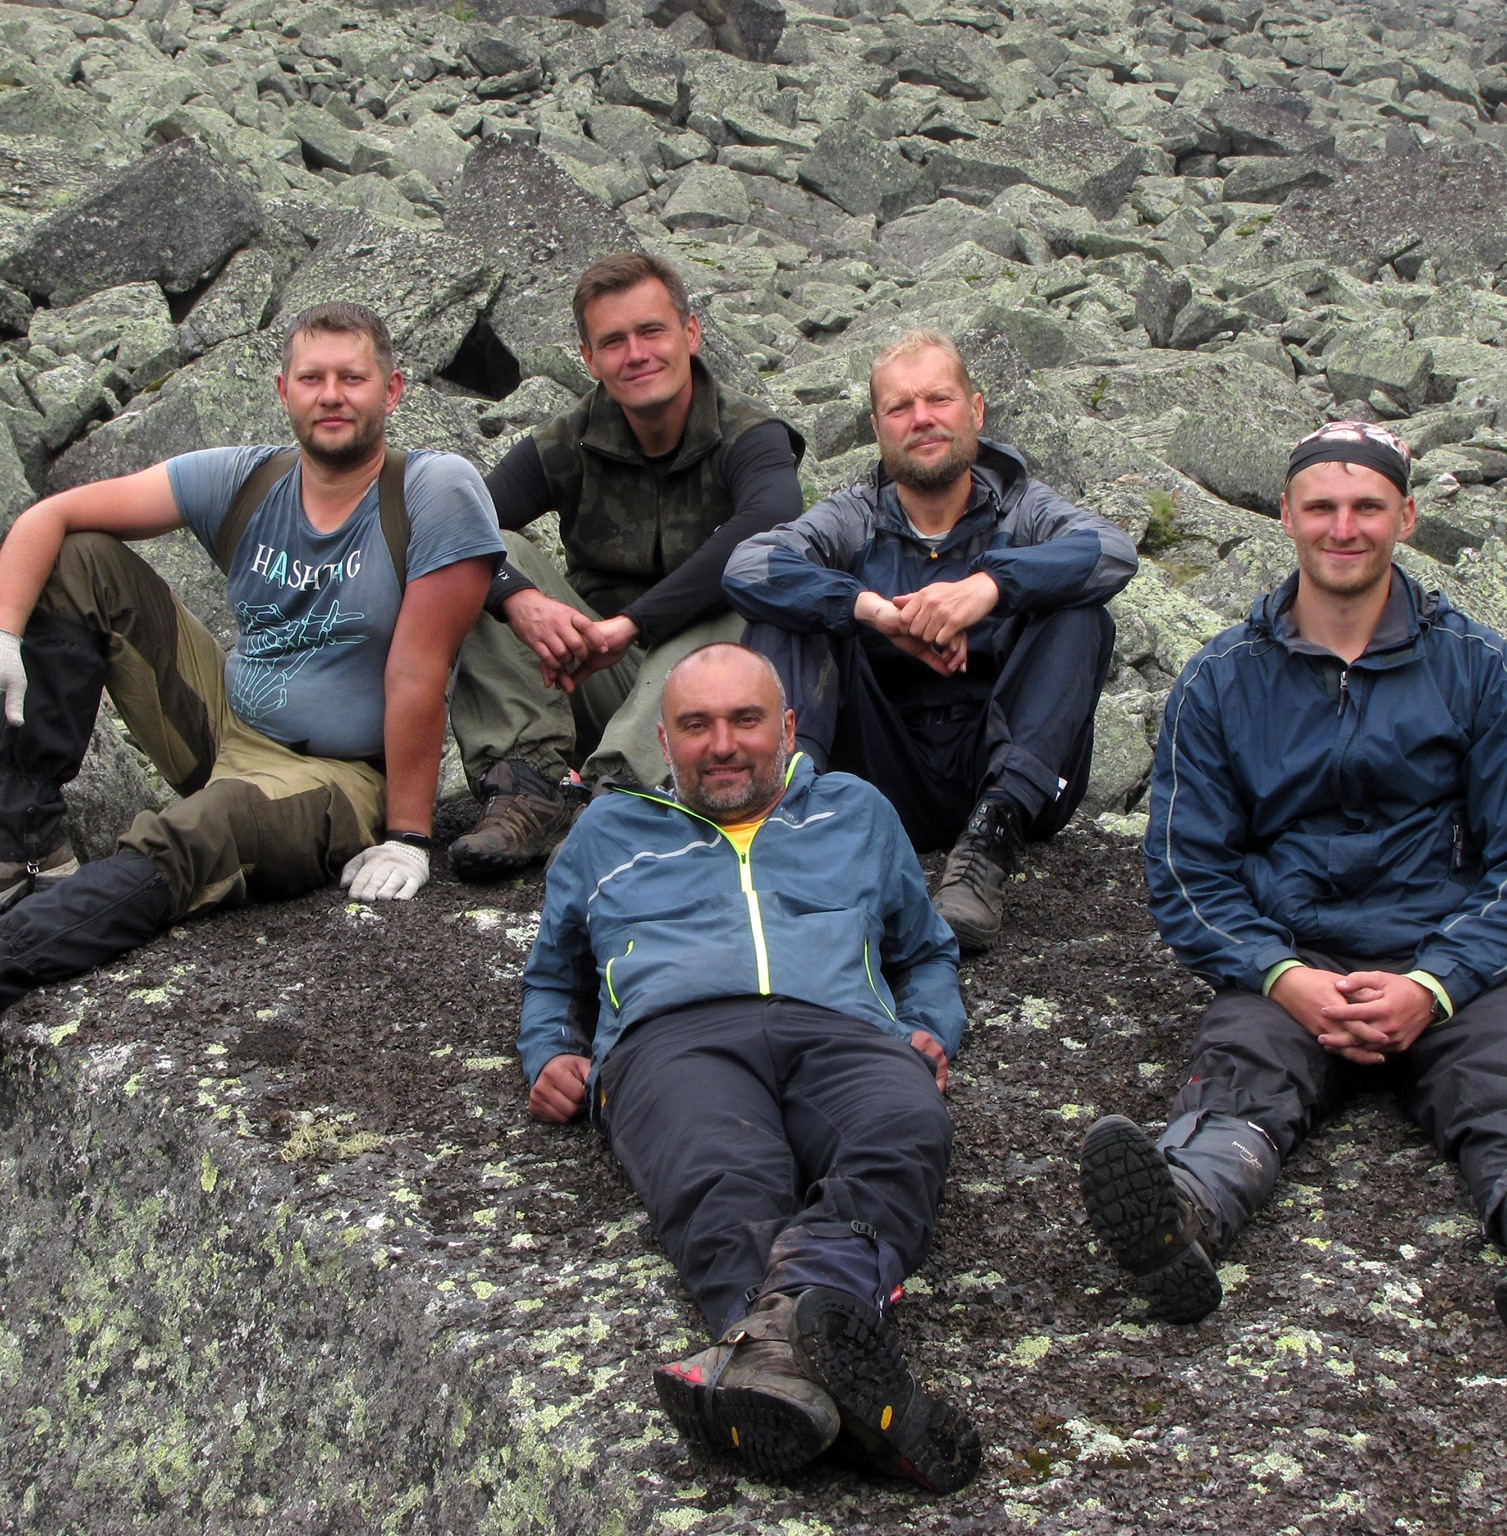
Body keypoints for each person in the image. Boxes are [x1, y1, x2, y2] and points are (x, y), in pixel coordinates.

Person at [1081, 420, 1507, 1338]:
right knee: (1241, 1076)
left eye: (1367, 507)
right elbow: (1188, 871)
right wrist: (1281, 977)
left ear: (1407, 518)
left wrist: (1436, 983)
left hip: (1453, 959)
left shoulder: (1484, 672)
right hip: (1294, 957)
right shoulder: (1220, 682)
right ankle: (1181, 1215)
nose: (1344, 528)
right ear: (1285, 515)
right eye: (1323, 507)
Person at [0, 302, 502, 1044]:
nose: (331, 396)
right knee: (81, 560)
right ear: (283, 391)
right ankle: (17, 843)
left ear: (392, 390)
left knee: (198, 830)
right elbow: (51, 516)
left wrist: (408, 836)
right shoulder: (247, 479)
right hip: (225, 722)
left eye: (352, 378)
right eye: (312, 378)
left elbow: (418, 673)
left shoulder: (433, 489)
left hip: (337, 776)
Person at [519, 642, 979, 1492]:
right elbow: (553, 978)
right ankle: (831, 1369)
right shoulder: (605, 832)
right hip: (673, 1041)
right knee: (723, 1172)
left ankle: (769, 1363)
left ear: (789, 729)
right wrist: (549, 1052)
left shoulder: (855, 811)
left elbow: (927, 953)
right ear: (664, 740)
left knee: (906, 1123)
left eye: (745, 720)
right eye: (696, 725)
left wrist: (927, 1030)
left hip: (841, 1029)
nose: (723, 744)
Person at [723, 329, 1136, 950]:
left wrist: (989, 587)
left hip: (1006, 766)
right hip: (880, 767)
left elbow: (1111, 551)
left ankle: (989, 842)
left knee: (1081, 614)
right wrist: (869, 610)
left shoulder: (1023, 510)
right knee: (789, 610)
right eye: (900, 407)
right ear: (876, 427)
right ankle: (793, 816)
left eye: (939, 399)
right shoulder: (852, 517)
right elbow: (749, 567)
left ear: (976, 410)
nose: (922, 419)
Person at [444, 252, 804, 881]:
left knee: (743, 577)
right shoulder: (569, 438)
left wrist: (634, 624)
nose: (636, 354)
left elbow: (772, 521)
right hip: (593, 676)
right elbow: (453, 526)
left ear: (690, 334)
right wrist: (516, 599)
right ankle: (530, 787)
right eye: (613, 342)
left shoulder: (750, 434)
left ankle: (620, 799)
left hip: (695, 698)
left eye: (651, 332)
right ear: (589, 359)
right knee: (485, 551)